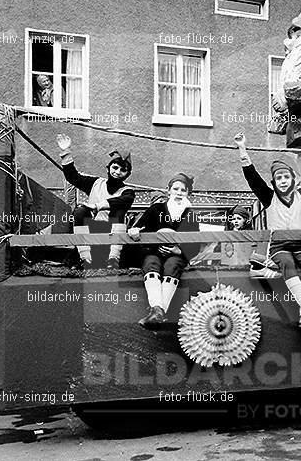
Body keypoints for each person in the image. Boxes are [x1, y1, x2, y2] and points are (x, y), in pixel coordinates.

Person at [236, 132, 301, 331]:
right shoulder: (269, 197)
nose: (283, 181)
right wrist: (242, 148)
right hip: (278, 246)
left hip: (299, 244)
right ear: (274, 182)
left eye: (286, 177)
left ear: (293, 179)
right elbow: (252, 177)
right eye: (279, 178)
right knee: (287, 263)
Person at [129, 173, 200, 328]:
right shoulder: (156, 209)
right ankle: (157, 310)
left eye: (183, 190)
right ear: (168, 190)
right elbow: (139, 227)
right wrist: (134, 231)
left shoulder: (191, 216)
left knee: (172, 266)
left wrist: (178, 250)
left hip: (176, 255)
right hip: (154, 252)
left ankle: (157, 313)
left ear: (188, 193)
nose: (179, 193)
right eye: (176, 189)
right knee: (150, 262)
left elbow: (195, 244)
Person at [57, 134, 135, 269]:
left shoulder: (128, 192)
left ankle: (114, 258)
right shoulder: (96, 183)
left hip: (112, 234)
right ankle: (85, 259)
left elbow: (121, 201)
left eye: (123, 170)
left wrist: (97, 206)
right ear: (108, 168)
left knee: (119, 209)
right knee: (80, 210)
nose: (117, 172)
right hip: (90, 231)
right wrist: (65, 152)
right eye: (115, 167)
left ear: (127, 174)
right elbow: (73, 177)